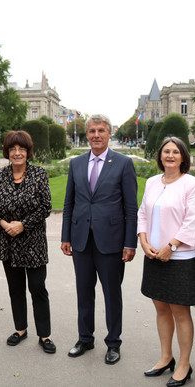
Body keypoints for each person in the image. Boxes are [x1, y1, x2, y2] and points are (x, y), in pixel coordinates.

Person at [61, 113, 138, 364]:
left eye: (101, 131)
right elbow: (69, 202)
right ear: (87, 134)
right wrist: (65, 236)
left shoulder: (123, 163)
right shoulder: (76, 163)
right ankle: (85, 338)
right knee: (84, 293)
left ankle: (113, 343)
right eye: (92, 131)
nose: (96, 135)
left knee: (111, 295)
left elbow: (130, 208)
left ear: (109, 133)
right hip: (81, 239)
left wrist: (130, 243)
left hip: (112, 242)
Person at [137, 137, 195, 387]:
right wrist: (143, 241)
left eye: (176, 152)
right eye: (166, 151)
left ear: (183, 157)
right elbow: (142, 212)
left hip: (180, 258)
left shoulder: (191, 184)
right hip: (153, 255)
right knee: (161, 309)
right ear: (160, 156)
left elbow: (192, 220)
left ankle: (184, 364)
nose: (171, 155)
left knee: (180, 312)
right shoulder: (152, 182)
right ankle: (166, 358)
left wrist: (171, 246)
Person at [0, 130, 56, 354]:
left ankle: (44, 335)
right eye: (13, 149)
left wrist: (23, 224)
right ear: (7, 152)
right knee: (15, 288)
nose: (17, 153)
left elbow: (45, 206)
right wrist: (5, 224)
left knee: (37, 287)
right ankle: (20, 329)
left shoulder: (38, 174)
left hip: (33, 240)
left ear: (28, 151)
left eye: (22, 149)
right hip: (8, 241)